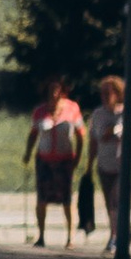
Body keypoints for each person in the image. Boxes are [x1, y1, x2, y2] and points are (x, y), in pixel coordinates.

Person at [26, 83, 84, 247]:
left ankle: (70, 238)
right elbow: (33, 134)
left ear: (63, 92)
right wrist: (27, 153)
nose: (54, 94)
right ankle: (41, 236)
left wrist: (78, 157)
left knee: (67, 199)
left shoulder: (72, 108)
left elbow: (81, 135)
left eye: (57, 90)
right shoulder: (39, 111)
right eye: (51, 90)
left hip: (65, 160)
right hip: (44, 160)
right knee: (42, 198)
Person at [83, 74, 126, 247]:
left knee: (116, 199)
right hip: (104, 164)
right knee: (110, 202)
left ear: (117, 93)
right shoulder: (98, 114)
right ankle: (115, 232)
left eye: (108, 93)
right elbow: (94, 141)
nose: (105, 96)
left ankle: (116, 237)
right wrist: (89, 165)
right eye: (102, 93)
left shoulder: (129, 113)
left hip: (125, 165)